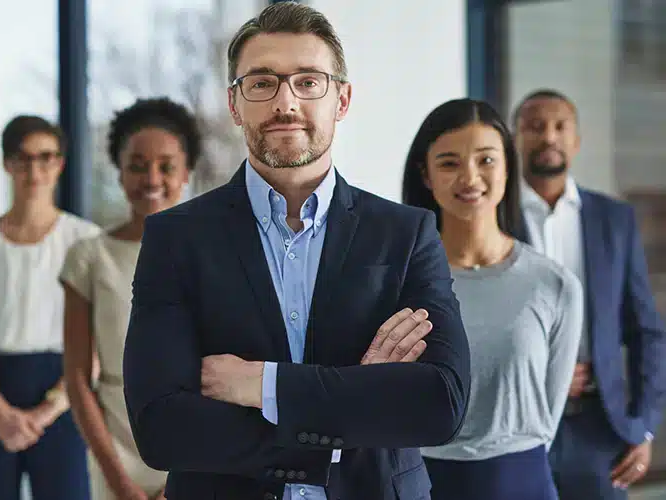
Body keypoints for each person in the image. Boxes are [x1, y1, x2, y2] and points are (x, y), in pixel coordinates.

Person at [122, 3, 471, 500]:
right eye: (262, 83)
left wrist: (263, 385)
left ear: (342, 99)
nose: (286, 103)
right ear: (234, 103)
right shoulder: (176, 239)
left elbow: (440, 403)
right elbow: (161, 428)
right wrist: (350, 409)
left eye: (308, 82)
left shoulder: (406, 234)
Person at [401, 98, 583, 500]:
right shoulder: (398, 283)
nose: (470, 177)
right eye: (449, 163)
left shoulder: (554, 284)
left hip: (522, 481)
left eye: (486, 160)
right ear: (426, 175)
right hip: (419, 483)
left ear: (507, 167)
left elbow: (547, 416)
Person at [513, 88, 666, 499]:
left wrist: (643, 424)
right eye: (534, 126)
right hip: (517, 427)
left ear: (576, 141)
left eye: (560, 126)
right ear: (515, 139)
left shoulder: (614, 219)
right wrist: (547, 375)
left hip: (599, 429)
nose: (548, 137)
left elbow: (646, 330)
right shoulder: (493, 217)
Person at [0, 115, 99, 500]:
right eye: (23, 158)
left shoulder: (84, 241)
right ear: (6, 164)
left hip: (65, 402)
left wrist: (49, 410)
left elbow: (97, 341)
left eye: (46, 158)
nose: (35, 170)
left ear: (60, 164)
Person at [61, 97, 201, 500]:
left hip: (196, 447)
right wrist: (119, 481)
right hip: (115, 451)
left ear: (186, 172)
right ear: (119, 173)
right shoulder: (88, 257)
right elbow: (76, 380)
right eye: (137, 166)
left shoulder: (211, 254)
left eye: (166, 166)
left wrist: (181, 476)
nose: (151, 178)